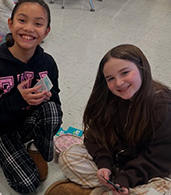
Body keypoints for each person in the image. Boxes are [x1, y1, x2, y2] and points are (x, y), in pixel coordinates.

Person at [45, 44, 171, 195]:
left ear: (142, 68)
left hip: (151, 171)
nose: (118, 83)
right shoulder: (111, 99)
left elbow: (158, 160)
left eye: (125, 73)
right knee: (67, 157)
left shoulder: (163, 107)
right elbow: (95, 135)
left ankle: (96, 192)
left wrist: (126, 178)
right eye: (110, 79)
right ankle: (111, 191)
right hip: (118, 166)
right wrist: (104, 164)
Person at [0, 0, 63, 193]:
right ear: (10, 23)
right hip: (0, 129)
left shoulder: (47, 63)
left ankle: (36, 148)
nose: (29, 28)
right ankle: (3, 150)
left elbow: (56, 99)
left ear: (46, 31)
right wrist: (17, 98)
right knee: (27, 184)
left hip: (28, 123)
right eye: (22, 20)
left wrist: (49, 97)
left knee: (52, 111)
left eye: (38, 23)